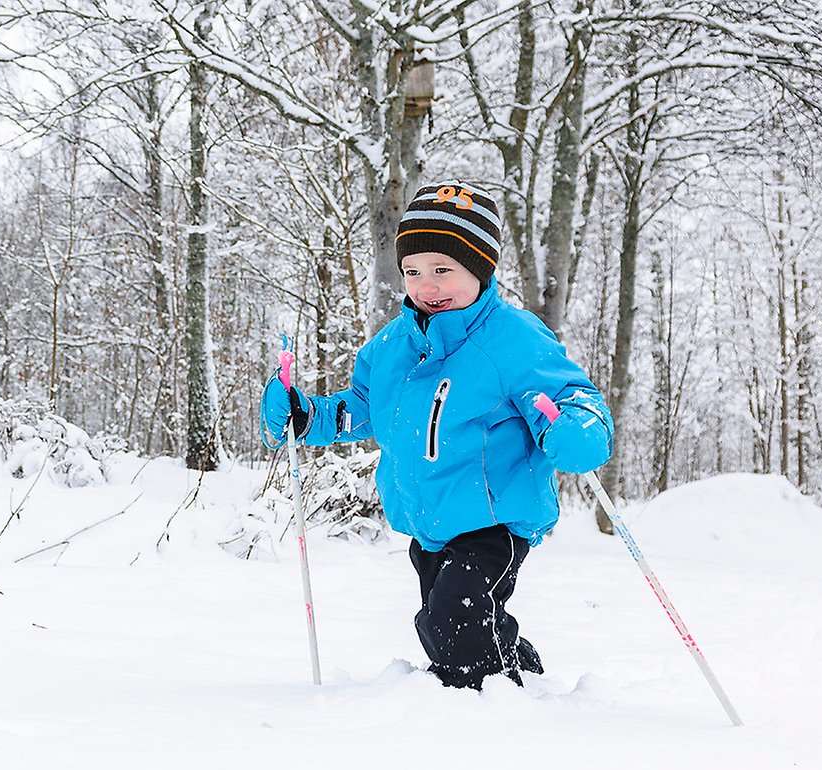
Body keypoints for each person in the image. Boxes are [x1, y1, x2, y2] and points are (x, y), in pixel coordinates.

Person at [260, 181, 613, 690]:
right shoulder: (392, 347)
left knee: (451, 626)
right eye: (412, 271)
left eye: (442, 270)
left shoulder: (512, 338)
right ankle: (512, 662)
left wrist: (578, 428)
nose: (426, 286)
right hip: (428, 520)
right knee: (455, 620)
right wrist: (306, 416)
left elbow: (569, 395)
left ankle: (480, 708)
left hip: (493, 519)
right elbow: (362, 409)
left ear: (481, 268)